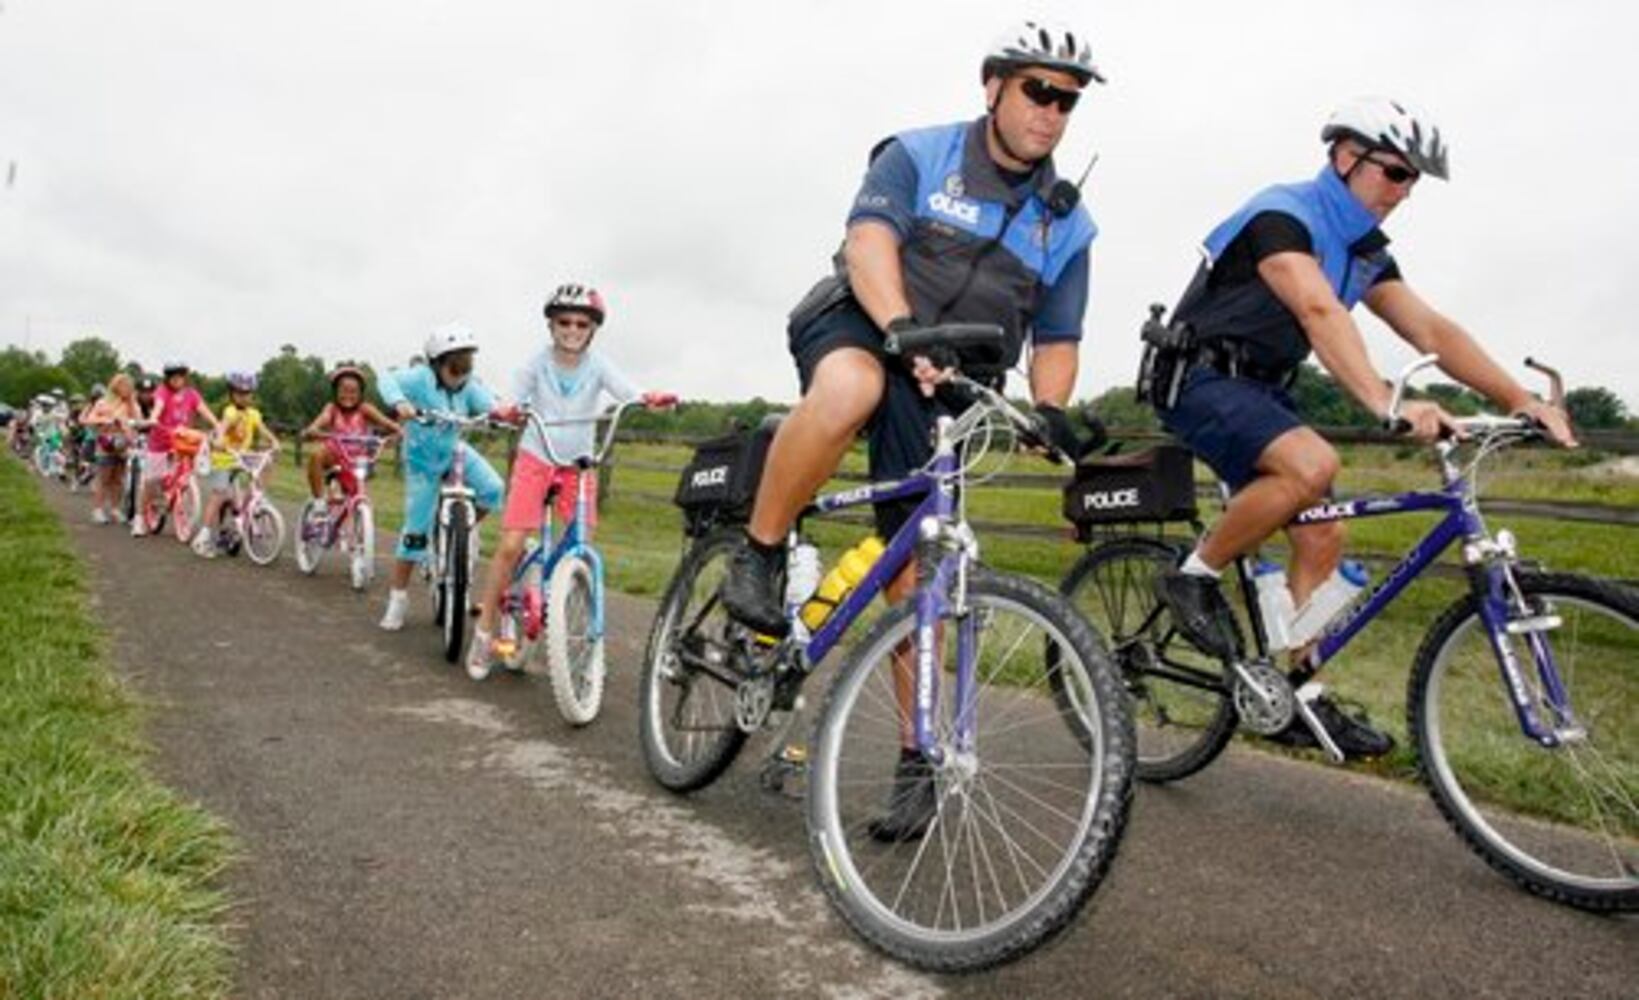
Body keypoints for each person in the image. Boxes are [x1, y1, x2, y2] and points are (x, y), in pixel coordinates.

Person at [719, 20, 1104, 841]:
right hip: (863, 326)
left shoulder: (1066, 225)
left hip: (954, 381)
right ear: (993, 85)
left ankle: (919, 757)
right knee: (853, 387)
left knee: (921, 578)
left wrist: (1050, 410)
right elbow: (868, 245)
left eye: (1066, 101)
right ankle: (759, 550)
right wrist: (900, 328)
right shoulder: (918, 154)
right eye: (1038, 90)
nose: (1050, 111)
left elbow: (1058, 341)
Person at [1149, 96, 1578, 759]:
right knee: (1312, 465)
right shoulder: (1281, 215)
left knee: (1323, 537)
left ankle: (1288, 691)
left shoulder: (1364, 248)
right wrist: (1385, 403)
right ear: (1345, 157)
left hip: (1261, 389)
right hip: (1198, 377)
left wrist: (1520, 400)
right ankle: (1193, 575)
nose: (1402, 194)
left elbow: (1430, 330)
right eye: (1393, 174)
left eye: (1412, 181)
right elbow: (1319, 310)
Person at [465, 284, 674, 681]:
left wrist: (649, 397)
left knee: (580, 543)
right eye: (564, 321)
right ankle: (485, 630)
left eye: (582, 323)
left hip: (578, 465)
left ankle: (565, 610)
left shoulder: (598, 365)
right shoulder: (536, 364)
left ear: (593, 328)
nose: (572, 329)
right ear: (551, 324)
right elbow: (515, 395)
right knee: (510, 546)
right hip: (536, 458)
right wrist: (507, 409)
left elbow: (627, 391)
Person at [375, 323, 507, 631]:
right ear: (436, 365)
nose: (459, 376)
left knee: (493, 488)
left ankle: (461, 532)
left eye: (465, 369)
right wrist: (400, 402)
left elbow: (490, 406)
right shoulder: (420, 378)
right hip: (422, 463)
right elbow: (387, 379)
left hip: (453, 453)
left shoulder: (468, 384)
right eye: (453, 369)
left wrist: (500, 415)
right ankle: (398, 600)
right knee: (415, 532)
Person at [194, 372, 282, 558]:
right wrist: (218, 440)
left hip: (242, 457)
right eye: (239, 393)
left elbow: (264, 430)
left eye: (248, 393)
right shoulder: (230, 412)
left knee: (266, 464)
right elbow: (224, 426)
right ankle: (203, 536)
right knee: (219, 494)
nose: (244, 397)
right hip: (225, 457)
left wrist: (274, 441)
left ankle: (254, 500)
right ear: (232, 394)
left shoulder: (254, 414)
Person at [133, 361, 220, 537]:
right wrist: (154, 419)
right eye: (174, 377)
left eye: (181, 376)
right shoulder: (162, 392)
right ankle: (139, 519)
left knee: (183, 473)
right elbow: (158, 407)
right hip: (160, 442)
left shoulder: (192, 394)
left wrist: (218, 425)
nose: (177, 380)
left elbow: (204, 410)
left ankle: (176, 498)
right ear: (168, 378)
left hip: (182, 442)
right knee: (150, 482)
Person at [300, 366, 401, 499]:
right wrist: (312, 430)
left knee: (356, 498)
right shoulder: (331, 409)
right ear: (336, 392)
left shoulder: (365, 409)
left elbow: (391, 425)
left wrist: (396, 434)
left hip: (357, 461)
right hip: (334, 456)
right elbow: (318, 424)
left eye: (353, 392)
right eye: (343, 391)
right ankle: (318, 501)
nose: (348, 396)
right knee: (317, 455)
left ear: (360, 394)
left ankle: (359, 514)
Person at [81, 375, 143, 523]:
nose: (127, 390)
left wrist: (132, 403)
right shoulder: (103, 402)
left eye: (129, 387)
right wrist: (106, 420)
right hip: (106, 443)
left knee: (118, 479)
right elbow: (89, 419)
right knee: (104, 478)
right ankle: (98, 510)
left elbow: (139, 421)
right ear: (116, 386)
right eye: (124, 386)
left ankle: (115, 508)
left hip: (124, 445)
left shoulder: (131, 404)